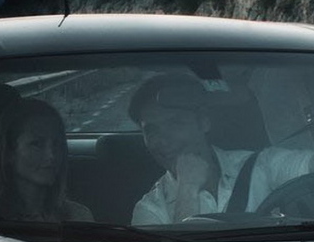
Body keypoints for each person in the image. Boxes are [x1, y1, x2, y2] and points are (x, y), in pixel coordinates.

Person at [130, 73, 314, 225]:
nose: (163, 140)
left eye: (175, 123)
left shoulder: (261, 164)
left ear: (203, 122)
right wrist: (187, 188)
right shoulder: (150, 210)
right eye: (151, 130)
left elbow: (308, 166)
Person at [0, 98, 91, 222]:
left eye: (56, 144)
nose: (51, 155)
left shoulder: (78, 215)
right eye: (37, 144)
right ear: (8, 153)